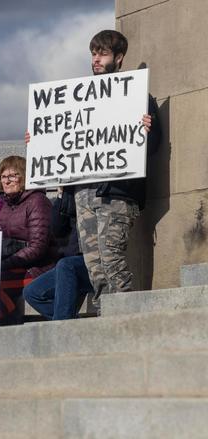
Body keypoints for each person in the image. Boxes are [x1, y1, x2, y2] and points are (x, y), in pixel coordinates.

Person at [75, 30, 161, 305]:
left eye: (102, 54)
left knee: (112, 259)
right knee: (95, 268)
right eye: (93, 54)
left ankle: (127, 316)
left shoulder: (137, 96)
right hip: (84, 192)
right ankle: (105, 318)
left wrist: (149, 130)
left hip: (118, 192)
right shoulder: (78, 100)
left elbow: (154, 145)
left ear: (119, 58)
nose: (96, 60)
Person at [0, 155, 56, 325]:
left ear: (24, 177)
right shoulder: (5, 205)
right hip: (13, 265)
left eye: (12, 176)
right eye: (3, 176)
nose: (6, 181)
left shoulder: (38, 201)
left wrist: (5, 264)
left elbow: (38, 247)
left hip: (38, 268)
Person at [23, 186, 93, 320]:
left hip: (92, 260)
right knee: (31, 292)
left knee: (66, 265)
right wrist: (61, 195)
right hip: (70, 263)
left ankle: (62, 324)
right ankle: (68, 320)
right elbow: (57, 229)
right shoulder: (68, 194)